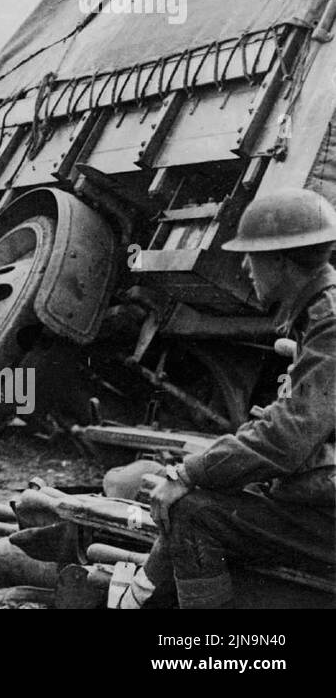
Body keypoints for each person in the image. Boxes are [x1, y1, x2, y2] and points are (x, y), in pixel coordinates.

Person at [121, 188, 336, 609]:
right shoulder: (317, 317)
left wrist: (187, 474)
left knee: (194, 513)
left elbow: (287, 438)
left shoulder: (329, 325)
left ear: (280, 260)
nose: (243, 265)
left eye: (251, 255)